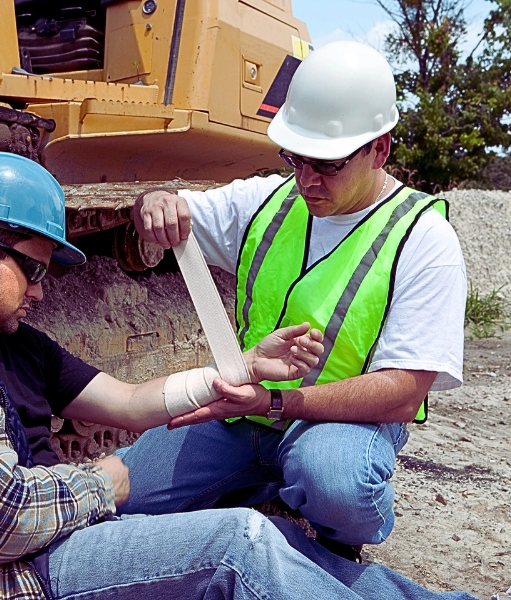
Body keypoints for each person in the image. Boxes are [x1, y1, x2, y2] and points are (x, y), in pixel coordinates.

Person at [0, 152, 476, 600]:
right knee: (236, 540)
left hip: (32, 541)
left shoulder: (11, 341)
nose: (43, 291)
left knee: (266, 538)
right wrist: (105, 480)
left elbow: (128, 402)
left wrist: (238, 369)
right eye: (35, 269)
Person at [118, 40, 467, 562]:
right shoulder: (270, 200)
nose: (306, 179)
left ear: (380, 149)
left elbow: (403, 394)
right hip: (244, 415)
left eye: (326, 164)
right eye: (295, 159)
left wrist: (279, 402)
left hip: (338, 427)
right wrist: (154, 204)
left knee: (336, 482)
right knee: (128, 496)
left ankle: (334, 534)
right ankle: (262, 486)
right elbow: (171, 213)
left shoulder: (423, 239)